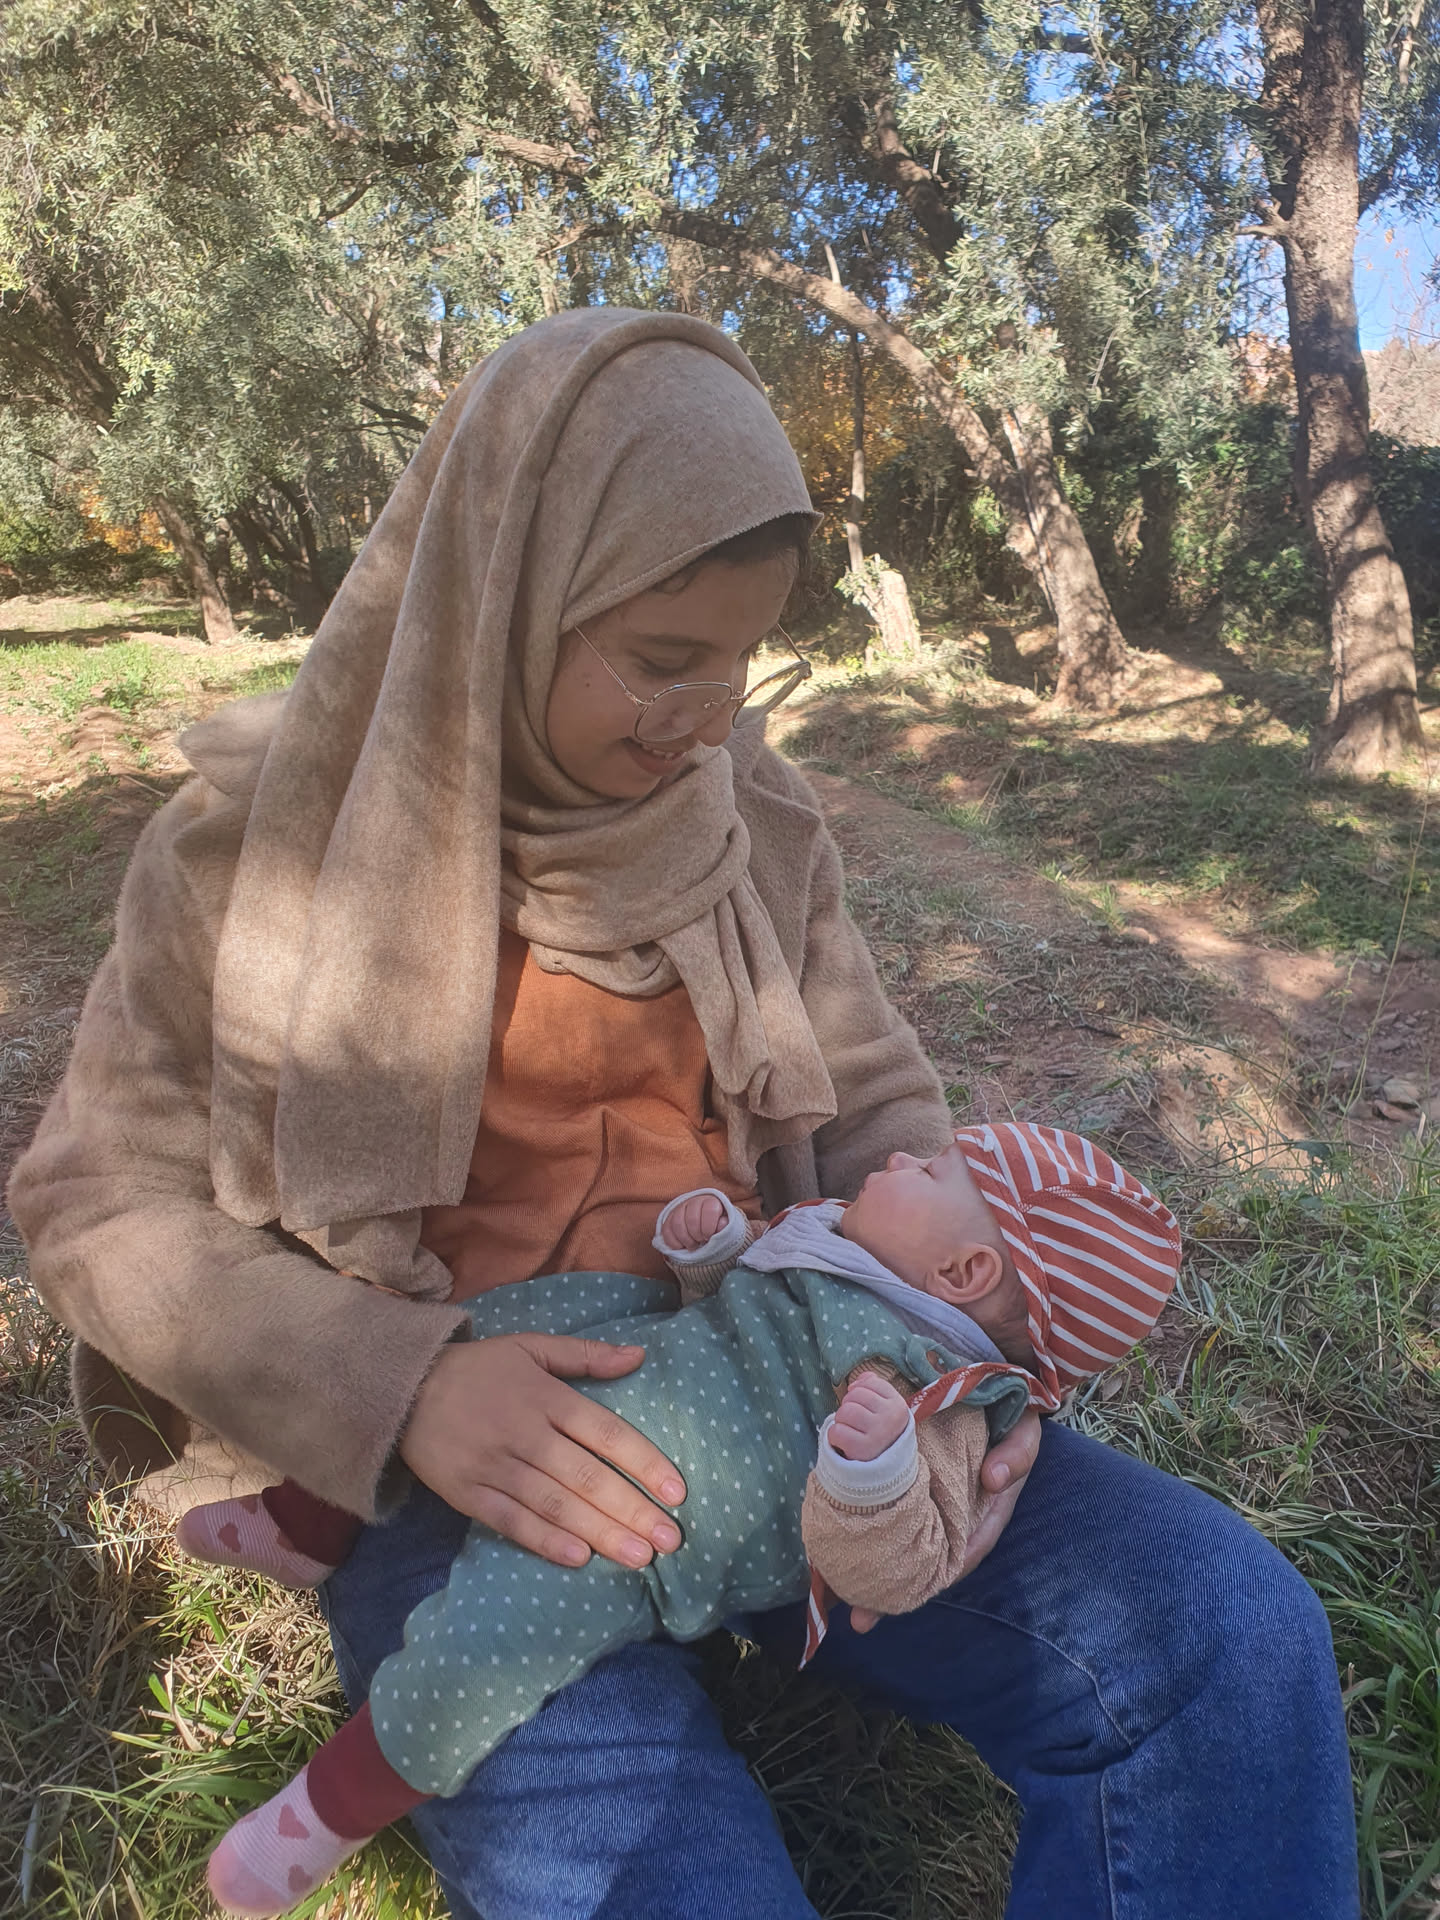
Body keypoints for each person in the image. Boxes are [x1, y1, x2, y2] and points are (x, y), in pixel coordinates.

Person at [7, 308, 1360, 1920]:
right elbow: (99, 1204)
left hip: (800, 1402)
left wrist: (965, 1379)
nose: (709, 714)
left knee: (1223, 1633)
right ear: (501, 594)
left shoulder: (756, 826)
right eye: (659, 658)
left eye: (743, 657)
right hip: (474, 1489)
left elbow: (874, 1103)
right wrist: (403, 1386)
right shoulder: (250, 858)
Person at [189, 1120, 1181, 1918]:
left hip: (638, 1519)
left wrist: (872, 1476)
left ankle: (325, 1812)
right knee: (432, 1354)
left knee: (484, 1649)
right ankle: (306, 1523)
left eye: (933, 1170)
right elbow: (747, 1310)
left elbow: (896, 1571)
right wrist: (713, 1255)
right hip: (636, 1351)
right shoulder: (852, 1249)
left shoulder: (941, 1406)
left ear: (964, 1274)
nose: (901, 1156)